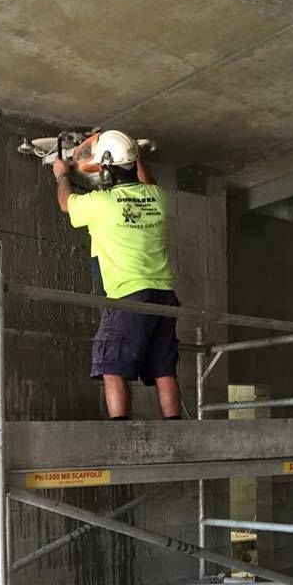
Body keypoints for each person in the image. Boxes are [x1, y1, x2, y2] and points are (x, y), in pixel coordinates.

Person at [53, 130, 181, 420]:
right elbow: (147, 181)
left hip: (128, 295)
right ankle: (177, 429)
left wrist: (61, 175)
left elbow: (66, 203)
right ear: (134, 163)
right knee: (163, 369)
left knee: (111, 366)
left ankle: (121, 432)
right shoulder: (157, 198)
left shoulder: (102, 203)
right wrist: (135, 154)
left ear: (107, 170)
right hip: (164, 297)